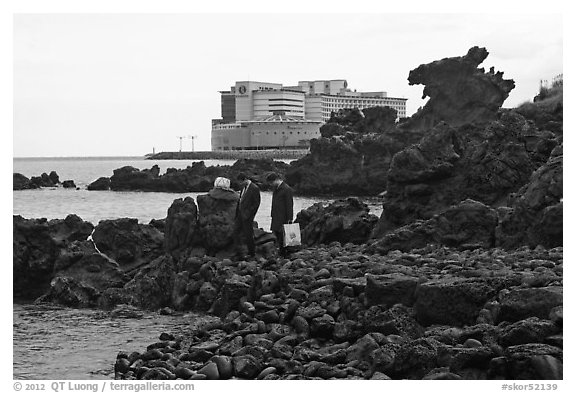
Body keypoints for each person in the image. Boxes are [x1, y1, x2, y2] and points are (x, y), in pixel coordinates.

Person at [266, 172, 294, 255]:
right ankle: (282, 252)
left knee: (284, 236)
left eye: (271, 183)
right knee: (278, 235)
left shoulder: (286, 189)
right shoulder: (276, 189)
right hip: (276, 216)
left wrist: (290, 218)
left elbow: (289, 205)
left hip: (283, 217)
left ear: (276, 180)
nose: (271, 185)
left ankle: (285, 253)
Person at [234, 172, 261, 257]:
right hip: (240, 214)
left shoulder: (254, 188)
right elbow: (241, 199)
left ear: (245, 179)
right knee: (235, 232)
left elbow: (256, 203)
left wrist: (250, 214)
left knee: (248, 234)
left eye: (241, 182)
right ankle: (238, 251)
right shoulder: (243, 187)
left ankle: (251, 252)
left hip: (247, 215)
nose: (240, 184)